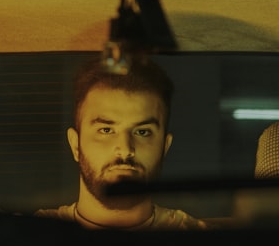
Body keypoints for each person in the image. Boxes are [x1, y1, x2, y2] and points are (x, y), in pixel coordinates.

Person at [36, 55, 207, 230]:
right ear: (75, 145)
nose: (125, 150)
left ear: (165, 147)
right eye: (106, 130)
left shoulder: (197, 243)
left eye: (142, 132)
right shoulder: (30, 238)